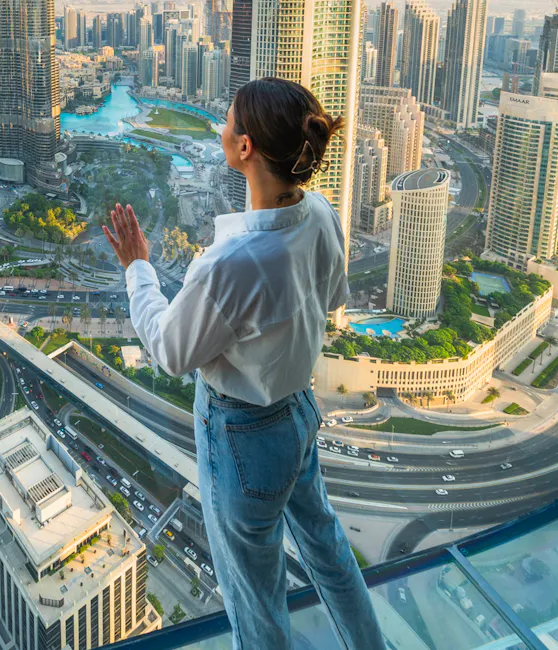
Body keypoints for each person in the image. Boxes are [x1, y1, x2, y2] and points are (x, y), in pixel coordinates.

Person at [103, 77, 386, 649]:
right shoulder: (320, 214)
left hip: (242, 438)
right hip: (299, 415)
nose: (220, 127)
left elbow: (171, 351)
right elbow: (332, 297)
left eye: (228, 121)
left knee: (256, 603)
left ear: (246, 147)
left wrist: (138, 268)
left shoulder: (232, 261)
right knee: (329, 553)